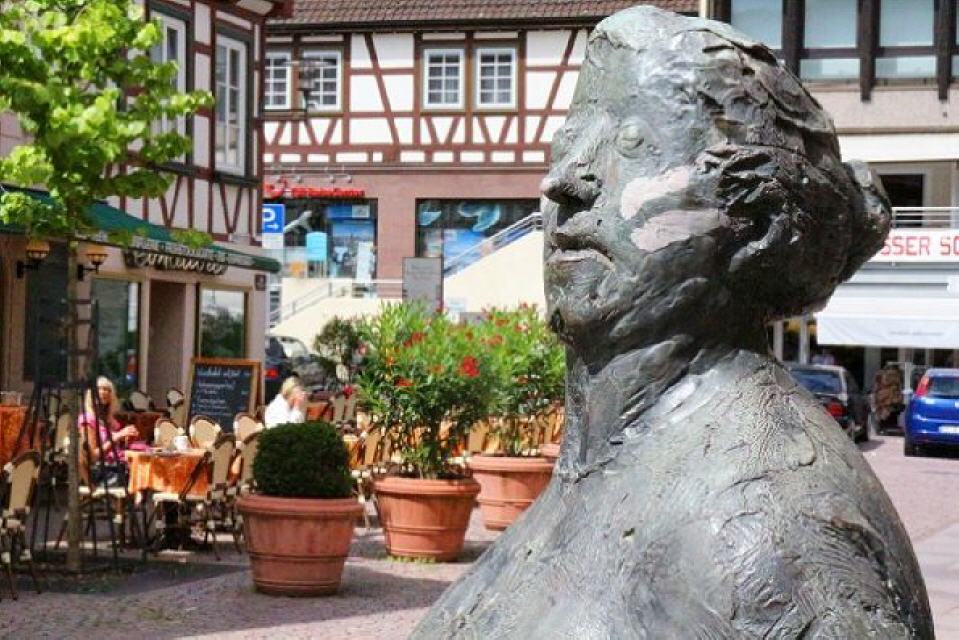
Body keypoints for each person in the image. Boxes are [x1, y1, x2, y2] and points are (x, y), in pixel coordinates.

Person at [413, 7, 931, 639]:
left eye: (633, 145)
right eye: (568, 143)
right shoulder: (614, 469)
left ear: (757, 225)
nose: (563, 180)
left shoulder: (764, 530)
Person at [77, 376, 139, 484]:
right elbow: (93, 457)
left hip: (117, 466)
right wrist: (117, 437)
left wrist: (126, 439)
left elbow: (117, 447)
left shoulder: (109, 421)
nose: (103, 392)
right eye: (99, 389)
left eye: (107, 389)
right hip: (102, 473)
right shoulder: (87, 420)